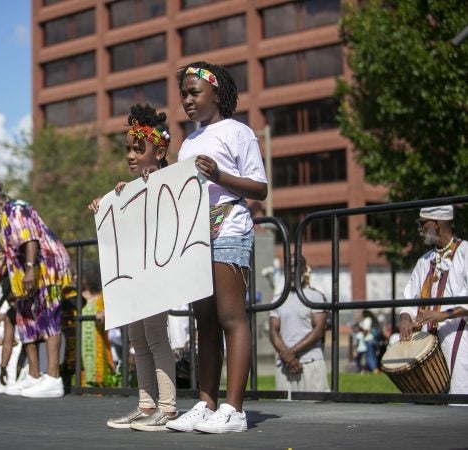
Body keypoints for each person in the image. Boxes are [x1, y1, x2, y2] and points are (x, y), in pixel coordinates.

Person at [166, 62, 267, 434]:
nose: (187, 101)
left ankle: (234, 409)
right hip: (195, 235)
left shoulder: (237, 132)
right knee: (204, 322)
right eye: (184, 95)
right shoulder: (189, 140)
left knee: (230, 316)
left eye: (194, 93)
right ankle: (207, 403)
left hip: (229, 227)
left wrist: (219, 175)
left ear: (216, 93)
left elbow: (260, 189)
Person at [89, 104, 178, 431]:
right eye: (128, 148)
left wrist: (148, 185)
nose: (130, 155)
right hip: (135, 276)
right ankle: (146, 404)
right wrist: (106, 206)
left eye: (138, 148)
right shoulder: (128, 189)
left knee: (155, 337)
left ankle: (167, 408)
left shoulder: (168, 182)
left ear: (159, 150)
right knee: (138, 338)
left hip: (155, 273)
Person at [0, 176, 72, 398]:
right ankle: (34, 375)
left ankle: (53, 377)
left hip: (46, 269)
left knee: (48, 317)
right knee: (25, 321)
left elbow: (31, 240)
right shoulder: (2, 222)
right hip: (26, 278)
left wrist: (28, 268)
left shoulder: (16, 209)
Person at [399, 205, 468, 394]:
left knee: (459, 394)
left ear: (436, 224)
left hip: (459, 337)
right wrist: (405, 319)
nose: (420, 229)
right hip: (427, 340)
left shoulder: (465, 252)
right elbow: (409, 298)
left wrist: (442, 315)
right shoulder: (423, 261)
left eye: (422, 224)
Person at [269, 257, 329, 392]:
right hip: (284, 365)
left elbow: (318, 330)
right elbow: (273, 331)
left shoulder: (315, 296)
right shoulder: (277, 299)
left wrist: (291, 353)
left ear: (304, 269)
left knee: (316, 410)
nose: (292, 270)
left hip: (310, 362)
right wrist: (288, 357)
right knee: (285, 411)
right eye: (288, 266)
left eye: (296, 266)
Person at [79, 260, 114, 387]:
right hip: (80, 349)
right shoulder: (75, 297)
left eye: (81, 275)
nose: (77, 277)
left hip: (100, 347)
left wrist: (106, 313)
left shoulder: (103, 297)